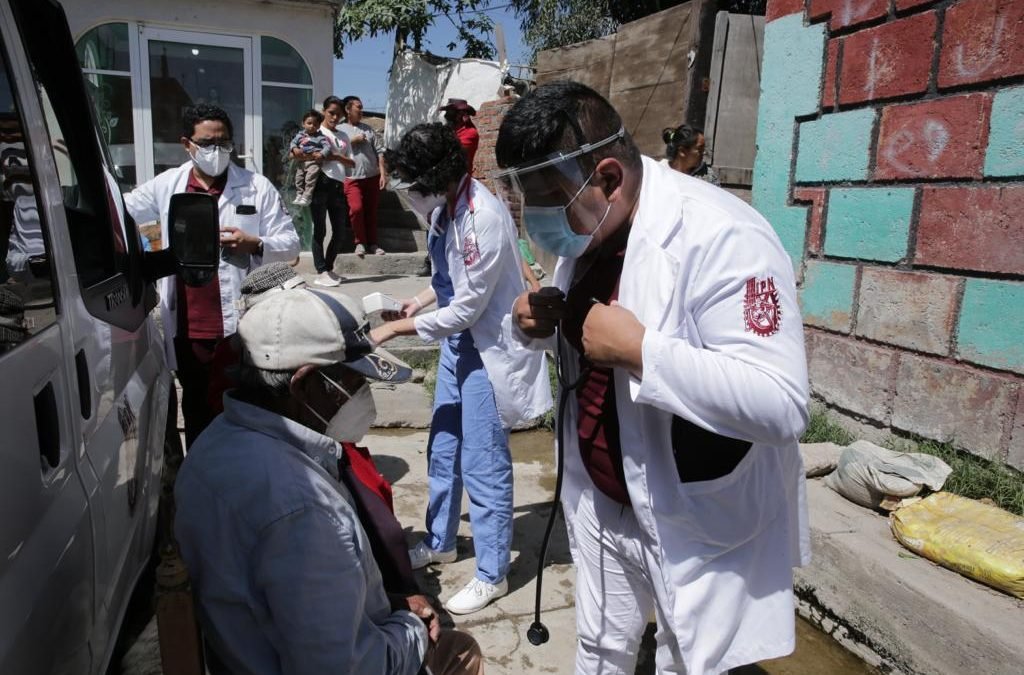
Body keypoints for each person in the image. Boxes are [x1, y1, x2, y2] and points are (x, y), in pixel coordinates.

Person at [495, 82, 809, 674]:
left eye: (548, 201)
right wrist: (531, 324)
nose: (539, 218)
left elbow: (783, 403)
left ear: (608, 178)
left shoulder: (722, 234)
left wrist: (644, 352)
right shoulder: (593, 229)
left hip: (689, 510)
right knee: (600, 646)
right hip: (600, 498)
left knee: (686, 661)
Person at [174, 287, 484, 675]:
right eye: (352, 382)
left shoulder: (215, 442)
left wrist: (387, 601)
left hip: (244, 650)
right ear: (302, 386)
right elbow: (346, 667)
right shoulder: (303, 509)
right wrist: (413, 629)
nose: (363, 395)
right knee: (460, 654)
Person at [371, 123, 551, 615]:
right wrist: (416, 302)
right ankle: (442, 539)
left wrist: (393, 332)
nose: (406, 190)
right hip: (457, 343)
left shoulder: (481, 219)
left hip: (488, 348)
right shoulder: (443, 210)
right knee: (443, 445)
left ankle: (492, 571)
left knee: (484, 461)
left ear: (438, 176)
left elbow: (469, 307)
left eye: (411, 180)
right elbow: (446, 279)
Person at [124, 103, 299, 447]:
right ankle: (204, 481)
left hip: (242, 324)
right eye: (207, 143)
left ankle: (245, 481)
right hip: (190, 328)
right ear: (187, 144)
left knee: (247, 409)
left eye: (223, 143)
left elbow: (291, 244)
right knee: (198, 408)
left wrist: (255, 242)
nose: (216, 151)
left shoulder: (256, 187)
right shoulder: (168, 185)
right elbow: (122, 209)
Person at [302, 95, 355, 287]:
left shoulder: (343, 136)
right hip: (320, 182)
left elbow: (351, 162)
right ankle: (321, 270)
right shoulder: (315, 131)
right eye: (331, 113)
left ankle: (329, 268)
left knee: (340, 231)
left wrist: (336, 157)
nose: (334, 118)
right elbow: (301, 153)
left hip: (338, 184)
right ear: (324, 111)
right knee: (320, 229)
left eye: (339, 115)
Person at [338, 95, 386, 257]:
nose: (361, 110)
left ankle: (373, 244)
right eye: (358, 107)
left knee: (371, 211)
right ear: (347, 109)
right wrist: (353, 140)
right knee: (357, 209)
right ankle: (359, 242)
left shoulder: (368, 129)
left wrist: (383, 174)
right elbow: (335, 151)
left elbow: (380, 151)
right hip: (351, 178)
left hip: (372, 176)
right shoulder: (340, 130)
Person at [289, 109, 333, 206]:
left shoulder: (320, 137)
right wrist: (294, 148)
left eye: (315, 124)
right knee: (298, 179)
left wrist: (321, 154)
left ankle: (307, 197)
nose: (312, 126)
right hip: (301, 162)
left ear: (318, 126)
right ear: (303, 124)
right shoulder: (300, 135)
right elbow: (292, 143)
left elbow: (328, 147)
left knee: (310, 179)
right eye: (309, 123)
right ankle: (299, 194)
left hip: (314, 162)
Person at [440, 98, 480, 174]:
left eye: (450, 112)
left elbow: (454, 157)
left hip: (459, 180)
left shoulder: (470, 133)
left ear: (460, 114)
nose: (446, 115)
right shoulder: (448, 131)